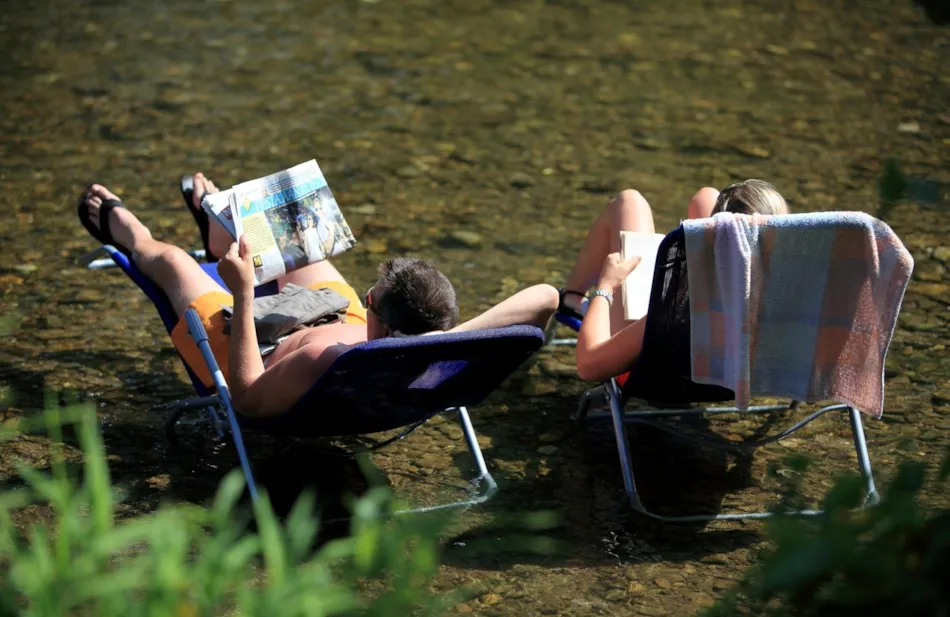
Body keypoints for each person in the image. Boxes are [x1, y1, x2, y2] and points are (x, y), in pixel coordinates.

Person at [78, 174, 559, 419]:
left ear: (379, 317)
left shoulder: (318, 365)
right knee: (292, 239)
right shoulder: (434, 355)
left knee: (175, 264)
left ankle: (132, 233)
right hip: (341, 323)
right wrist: (448, 337)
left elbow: (245, 398)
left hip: (254, 340)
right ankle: (223, 226)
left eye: (372, 295)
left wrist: (244, 293)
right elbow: (545, 296)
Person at [559, 179, 789, 383]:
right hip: (741, 364)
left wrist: (605, 288)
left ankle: (573, 298)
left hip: (654, 366)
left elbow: (588, 366)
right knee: (707, 197)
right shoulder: (799, 291)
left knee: (629, 202)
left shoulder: (684, 310)